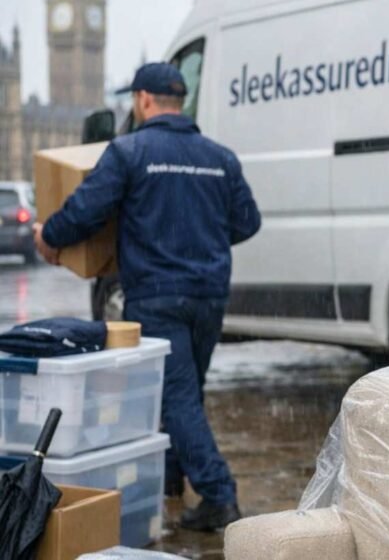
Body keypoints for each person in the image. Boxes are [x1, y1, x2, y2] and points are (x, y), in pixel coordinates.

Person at [34, 62, 261, 531]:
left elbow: (85, 211)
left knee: (176, 397)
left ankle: (220, 495)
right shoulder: (220, 157)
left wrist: (50, 236)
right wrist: (204, 240)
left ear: (142, 101)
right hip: (210, 294)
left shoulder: (130, 151)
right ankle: (171, 479)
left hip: (157, 293)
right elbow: (248, 221)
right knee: (186, 392)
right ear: (180, 102)